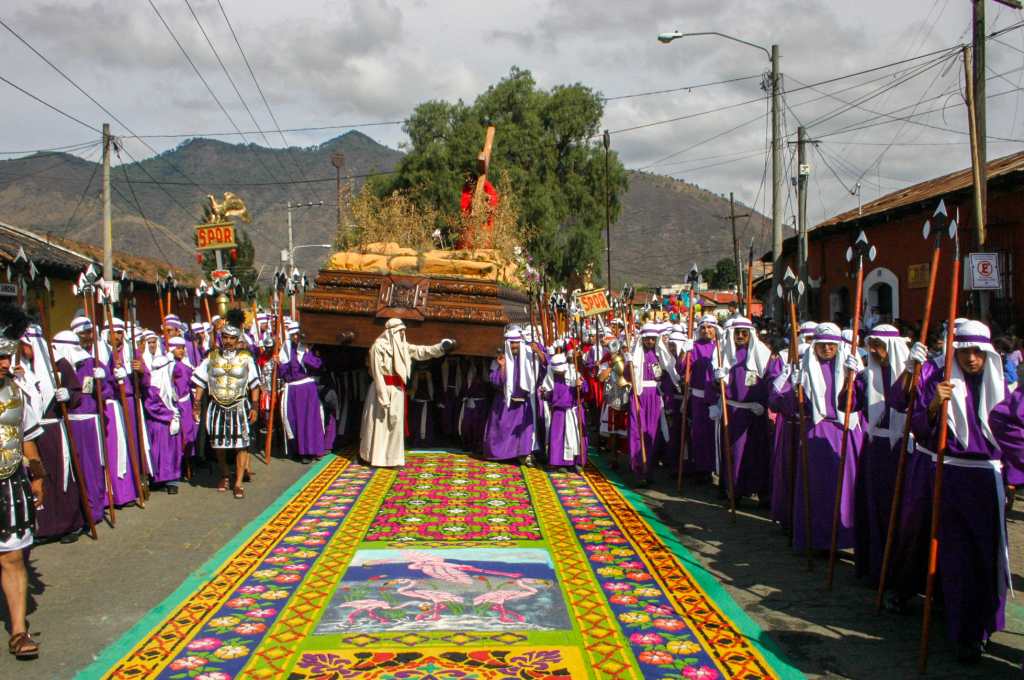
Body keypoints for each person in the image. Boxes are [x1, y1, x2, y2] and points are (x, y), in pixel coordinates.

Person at [896, 320, 1024, 663]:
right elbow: (921, 432)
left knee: (988, 560)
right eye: (964, 352)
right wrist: (935, 405)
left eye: (978, 353)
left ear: (988, 356)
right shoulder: (940, 385)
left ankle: (983, 628)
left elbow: (1012, 439)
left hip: (989, 483)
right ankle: (962, 632)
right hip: (951, 479)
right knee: (957, 561)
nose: (971, 359)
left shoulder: (1004, 389)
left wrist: (1011, 479)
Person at [770, 322, 863, 552]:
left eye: (832, 345)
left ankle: (845, 537)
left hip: (846, 433)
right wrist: (792, 385)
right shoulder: (804, 368)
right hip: (815, 432)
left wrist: (860, 376)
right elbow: (782, 404)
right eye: (822, 345)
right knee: (817, 489)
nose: (828, 349)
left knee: (846, 490)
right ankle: (817, 539)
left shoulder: (851, 368)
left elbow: (864, 402)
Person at [838, 324, 909, 584]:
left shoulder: (912, 374)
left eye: (880, 346)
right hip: (876, 450)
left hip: (905, 450)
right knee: (875, 507)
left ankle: (902, 572)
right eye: (873, 346)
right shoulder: (867, 376)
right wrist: (849, 378)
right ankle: (875, 567)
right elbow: (846, 404)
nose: (876, 351)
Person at [0, 304, 46, 659]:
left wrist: (38, 473)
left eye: (7, 356)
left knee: (13, 557)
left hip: (9, 482)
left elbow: (27, 434)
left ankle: (18, 631)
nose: (5, 363)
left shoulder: (15, 392)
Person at [360, 319, 455, 467]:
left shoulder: (403, 347)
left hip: (397, 391)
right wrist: (383, 396)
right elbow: (377, 374)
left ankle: (391, 459)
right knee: (379, 424)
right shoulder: (377, 347)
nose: (403, 334)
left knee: (395, 425)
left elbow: (422, 351)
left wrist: (441, 347)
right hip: (382, 389)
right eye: (400, 331)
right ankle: (375, 457)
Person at [21, 325, 82, 542]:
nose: (23, 351)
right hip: (30, 433)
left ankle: (70, 525)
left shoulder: (59, 364)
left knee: (60, 475)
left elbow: (77, 392)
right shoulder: (20, 367)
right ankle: (44, 528)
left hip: (53, 430)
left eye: (26, 346)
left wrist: (68, 395)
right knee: (37, 476)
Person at [191, 310, 260, 498]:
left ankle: (238, 483)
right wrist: (196, 404)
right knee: (219, 445)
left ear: (238, 339)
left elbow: (255, 384)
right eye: (225, 337)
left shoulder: (246, 359)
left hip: (239, 405)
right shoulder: (211, 358)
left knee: (242, 444)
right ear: (221, 338)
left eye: (232, 338)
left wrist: (254, 406)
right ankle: (224, 474)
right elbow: (200, 382)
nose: (228, 341)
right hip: (217, 406)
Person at [712, 316, 780, 504]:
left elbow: (772, 379)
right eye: (737, 333)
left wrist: (765, 403)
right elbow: (717, 385)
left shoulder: (764, 354)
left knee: (758, 452)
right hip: (734, 413)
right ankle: (734, 490)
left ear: (751, 334)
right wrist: (718, 379)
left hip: (756, 413)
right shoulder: (725, 354)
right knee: (735, 452)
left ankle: (761, 491)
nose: (740, 336)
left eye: (744, 333)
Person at [52, 325, 106, 529]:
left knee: (90, 469)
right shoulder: (55, 367)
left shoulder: (90, 364)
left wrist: (103, 380)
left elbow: (103, 392)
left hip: (85, 423)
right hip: (62, 424)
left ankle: (93, 510)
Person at [626, 323, 680, 486]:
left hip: (655, 398)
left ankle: (648, 469)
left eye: (653, 339)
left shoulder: (660, 355)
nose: (650, 341)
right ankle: (638, 470)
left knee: (652, 434)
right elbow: (628, 377)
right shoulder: (635, 355)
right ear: (642, 339)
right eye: (647, 338)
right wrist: (629, 365)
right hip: (639, 396)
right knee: (637, 432)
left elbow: (669, 375)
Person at [278, 322, 331, 463]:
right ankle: (302, 452)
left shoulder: (310, 347)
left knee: (311, 420)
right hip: (293, 390)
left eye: (298, 334)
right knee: (297, 420)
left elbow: (318, 365)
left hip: (308, 388)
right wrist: (281, 363)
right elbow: (282, 372)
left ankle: (315, 449)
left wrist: (307, 354)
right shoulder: (286, 348)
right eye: (293, 335)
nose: (296, 337)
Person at [144, 354, 183, 494]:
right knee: (161, 452)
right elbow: (151, 406)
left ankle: (172, 479)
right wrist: (170, 415)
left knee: (174, 452)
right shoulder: (153, 386)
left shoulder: (168, 381)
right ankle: (160, 478)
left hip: (172, 421)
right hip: (159, 424)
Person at [540, 353, 587, 470]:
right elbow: (552, 394)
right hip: (559, 413)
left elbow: (585, 389)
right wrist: (545, 393)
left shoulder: (574, 372)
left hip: (574, 411)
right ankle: (559, 462)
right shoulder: (551, 376)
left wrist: (580, 386)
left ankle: (575, 462)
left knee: (575, 437)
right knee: (558, 437)